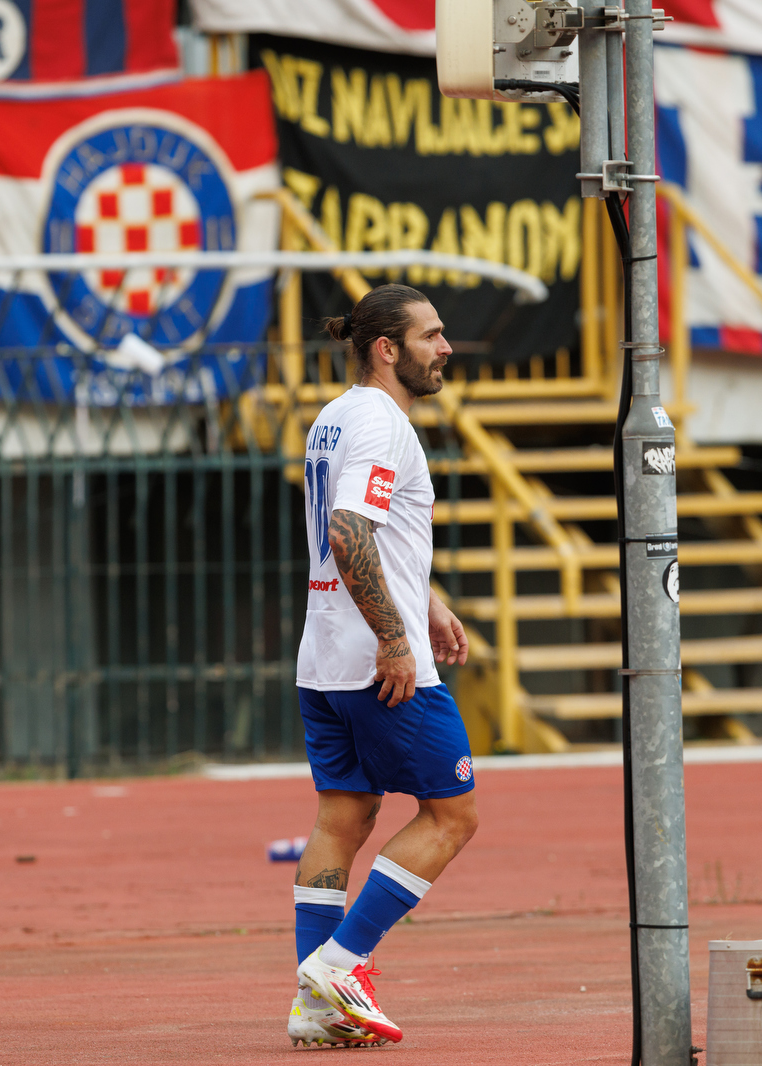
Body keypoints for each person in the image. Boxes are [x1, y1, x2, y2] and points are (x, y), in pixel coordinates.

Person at [287, 284, 478, 1048]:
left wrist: (424, 600)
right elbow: (348, 531)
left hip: (324, 658)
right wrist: (397, 638)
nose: (446, 347)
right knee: (453, 814)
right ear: (387, 349)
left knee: (344, 817)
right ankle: (342, 964)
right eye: (432, 335)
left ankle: (314, 1005)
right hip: (377, 664)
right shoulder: (380, 423)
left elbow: (374, 531)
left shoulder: (335, 417)